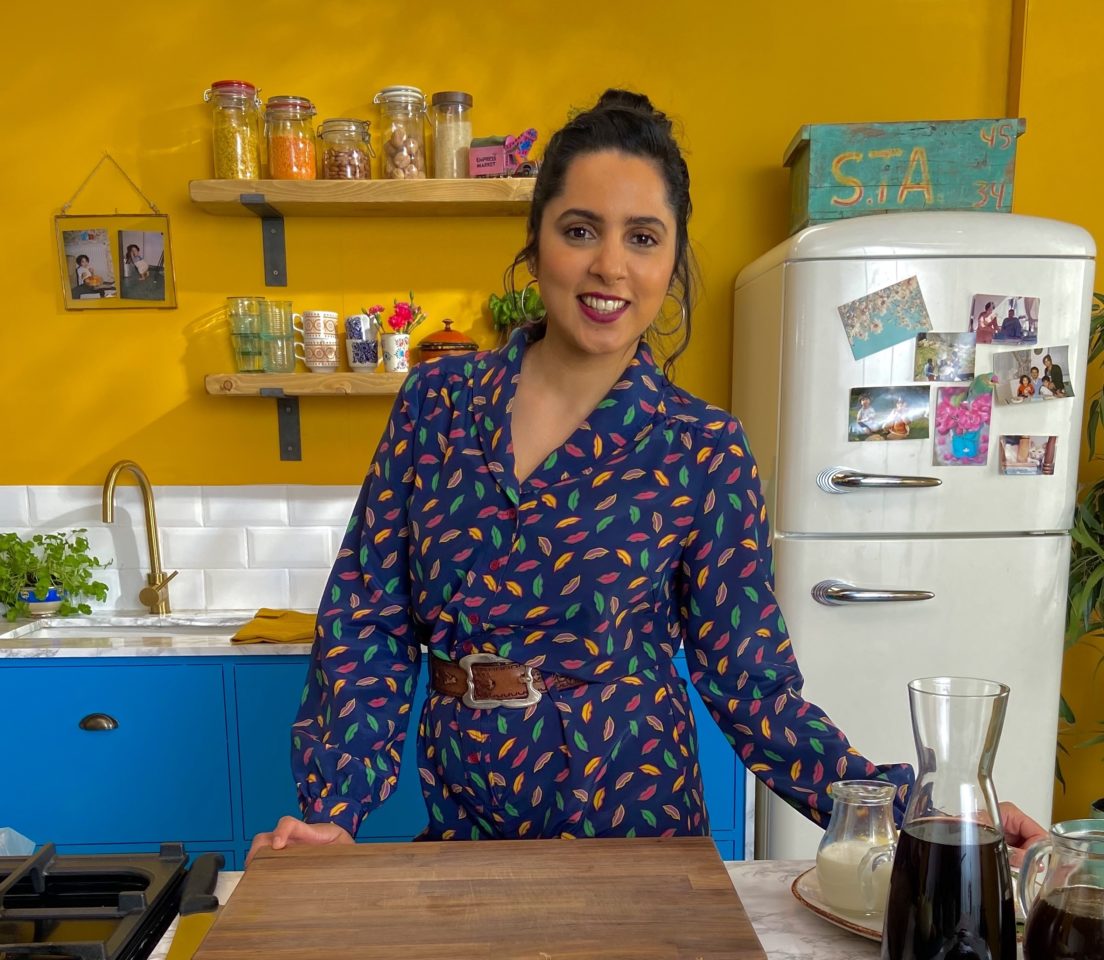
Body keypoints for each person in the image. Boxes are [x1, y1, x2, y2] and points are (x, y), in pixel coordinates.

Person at [248, 89, 1047, 866]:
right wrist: (334, 811)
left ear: (671, 260)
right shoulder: (438, 409)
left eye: (642, 237)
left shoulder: (702, 451)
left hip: (637, 836)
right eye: (580, 229)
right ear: (535, 244)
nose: (609, 266)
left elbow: (754, 688)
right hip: (465, 829)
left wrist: (921, 812)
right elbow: (367, 620)